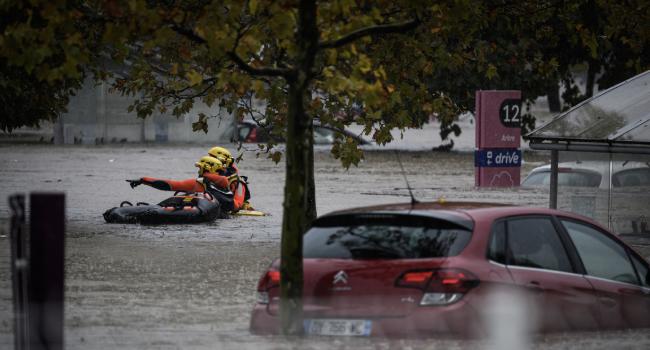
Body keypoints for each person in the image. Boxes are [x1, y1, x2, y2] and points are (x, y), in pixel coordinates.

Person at [127, 156, 236, 212]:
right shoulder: (226, 184)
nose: (199, 171)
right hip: (222, 217)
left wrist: (143, 180)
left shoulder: (199, 183)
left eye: (200, 168)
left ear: (206, 168)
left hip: (202, 216)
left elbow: (168, 185)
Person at [207, 146, 253, 211]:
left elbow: (238, 204)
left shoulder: (238, 183)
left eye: (212, 161)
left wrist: (221, 196)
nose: (208, 163)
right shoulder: (207, 177)